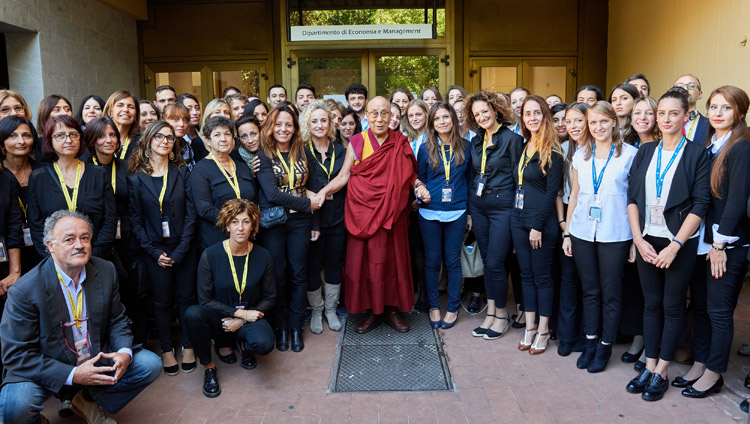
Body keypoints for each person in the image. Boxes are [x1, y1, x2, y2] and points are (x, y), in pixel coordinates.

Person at [0, 210, 161, 424]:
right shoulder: (25, 290)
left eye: (84, 238)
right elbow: (16, 355)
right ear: (50, 246)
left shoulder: (105, 270)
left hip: (93, 354)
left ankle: (86, 400)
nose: (79, 245)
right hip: (49, 363)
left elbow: (117, 320)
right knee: (16, 407)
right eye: (69, 239)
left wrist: (123, 352)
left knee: (149, 364)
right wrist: (72, 374)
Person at [316, 96, 430, 334]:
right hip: (363, 213)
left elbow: (409, 175)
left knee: (393, 263)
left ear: (391, 117)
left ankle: (391, 310)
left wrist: (419, 185)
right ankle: (372, 311)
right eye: (374, 113)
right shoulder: (356, 142)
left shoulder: (400, 141)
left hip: (392, 216)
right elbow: (344, 176)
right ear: (366, 116)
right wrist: (323, 192)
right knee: (366, 264)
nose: (379, 118)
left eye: (384, 113)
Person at [625, 87, 710, 401]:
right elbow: (632, 199)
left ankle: (661, 370)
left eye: (673, 113)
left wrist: (674, 246)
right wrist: (638, 238)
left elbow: (701, 204)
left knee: (673, 306)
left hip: (679, 243)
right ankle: (648, 364)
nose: (665, 119)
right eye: (661, 113)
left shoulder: (698, 154)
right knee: (651, 304)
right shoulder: (646, 152)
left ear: (687, 116)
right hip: (647, 239)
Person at [676, 86, 750, 399]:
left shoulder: (741, 147)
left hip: (727, 245)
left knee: (719, 310)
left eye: (726, 108)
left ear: (740, 113)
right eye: (714, 107)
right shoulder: (710, 144)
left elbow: (736, 201)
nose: (718, 114)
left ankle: (715, 373)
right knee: (703, 308)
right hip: (705, 242)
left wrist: (719, 245)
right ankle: (702, 362)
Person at [562, 101, 638, 372]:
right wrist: (568, 233)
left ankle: (606, 346)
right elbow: (574, 196)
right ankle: (591, 341)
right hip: (583, 230)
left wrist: (633, 240)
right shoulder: (580, 155)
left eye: (603, 121)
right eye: (593, 123)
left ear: (614, 122)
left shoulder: (630, 155)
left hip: (615, 233)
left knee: (611, 294)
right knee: (590, 291)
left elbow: (635, 199)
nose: (598, 127)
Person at [185, 199, 275, 398]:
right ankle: (209, 368)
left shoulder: (263, 256)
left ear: (253, 226)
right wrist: (237, 313)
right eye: (234, 222)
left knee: (265, 343)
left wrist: (242, 319)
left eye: (245, 222)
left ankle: (245, 347)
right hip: (220, 318)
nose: (240, 228)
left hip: (249, 317)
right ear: (227, 225)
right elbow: (204, 300)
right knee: (192, 314)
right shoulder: (210, 255)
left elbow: (270, 297)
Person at [128, 120, 197, 376]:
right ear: (148, 141)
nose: (165, 141)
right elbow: (135, 221)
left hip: (183, 247)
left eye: (169, 137)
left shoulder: (181, 172)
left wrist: (181, 250)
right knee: (162, 302)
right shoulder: (136, 179)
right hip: (154, 251)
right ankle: (167, 350)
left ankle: (188, 345)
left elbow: (192, 214)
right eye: (159, 136)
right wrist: (154, 253)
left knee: (186, 299)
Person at [256, 104, 320, 352]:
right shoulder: (263, 156)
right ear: (271, 127)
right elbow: (271, 194)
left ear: (295, 128)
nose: (284, 129)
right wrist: (306, 203)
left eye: (288, 124)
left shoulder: (304, 154)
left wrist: (313, 220)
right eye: (279, 124)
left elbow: (313, 188)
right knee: (278, 276)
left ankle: (296, 327)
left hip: (300, 224)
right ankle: (281, 326)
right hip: (274, 224)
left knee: (299, 273)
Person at [462, 90, 524, 339]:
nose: (481, 117)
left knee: (497, 263)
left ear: (496, 110)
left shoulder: (513, 140)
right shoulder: (476, 141)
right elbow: (472, 177)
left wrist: (520, 217)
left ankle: (501, 315)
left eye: (485, 111)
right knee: (488, 263)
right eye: (476, 114)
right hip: (479, 207)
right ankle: (491, 314)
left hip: (503, 207)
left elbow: (520, 182)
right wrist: (469, 210)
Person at [512, 95, 564, 355]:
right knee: (526, 276)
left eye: (536, 113)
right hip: (518, 221)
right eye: (527, 113)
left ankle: (544, 329)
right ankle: (529, 327)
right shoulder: (524, 146)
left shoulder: (553, 150)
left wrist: (537, 226)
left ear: (545, 116)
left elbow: (551, 192)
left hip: (540, 225)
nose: (532, 117)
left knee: (542, 278)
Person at [26, 115, 116, 259]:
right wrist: (55, 259)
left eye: (73, 134)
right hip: (55, 261)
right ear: (49, 140)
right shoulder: (38, 178)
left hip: (96, 257)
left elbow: (109, 220)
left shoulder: (98, 174)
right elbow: (36, 226)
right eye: (60, 135)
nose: (68, 140)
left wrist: (93, 255)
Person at [417, 101, 471, 329]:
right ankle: (433, 306)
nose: (442, 122)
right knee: (432, 262)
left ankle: (452, 307)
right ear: (432, 123)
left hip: (457, 212)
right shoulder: (425, 147)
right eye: (437, 119)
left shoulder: (467, 147)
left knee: (453, 261)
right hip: (429, 213)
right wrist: (419, 187)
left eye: (445, 117)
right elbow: (418, 177)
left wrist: (469, 213)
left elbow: (470, 180)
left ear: (453, 119)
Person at [300, 101, 347, 333]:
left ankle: (330, 308)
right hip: (312, 219)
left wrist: (322, 193)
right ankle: (317, 311)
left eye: (323, 120)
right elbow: (299, 186)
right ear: (308, 124)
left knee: (333, 263)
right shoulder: (301, 150)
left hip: (338, 216)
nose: (319, 125)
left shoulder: (340, 150)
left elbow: (345, 178)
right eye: (314, 121)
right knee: (313, 264)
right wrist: (316, 198)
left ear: (330, 123)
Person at [555, 102, 589, 356]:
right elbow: (559, 193)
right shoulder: (562, 149)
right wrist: (563, 224)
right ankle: (566, 337)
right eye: (569, 121)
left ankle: (585, 336)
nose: (573, 126)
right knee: (567, 280)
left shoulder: (600, 150)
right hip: (567, 216)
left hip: (592, 219)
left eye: (579, 120)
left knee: (588, 283)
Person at [191, 116, 255, 248]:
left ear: (233, 139)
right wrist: (235, 223)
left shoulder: (242, 167)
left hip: (247, 237)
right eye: (217, 135)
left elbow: (255, 200)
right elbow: (205, 209)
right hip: (217, 239)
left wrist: (248, 223)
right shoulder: (200, 170)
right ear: (208, 141)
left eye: (227, 134)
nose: (223, 139)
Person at [402, 99, 430, 311]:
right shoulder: (405, 139)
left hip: (427, 200)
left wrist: (419, 198)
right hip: (407, 202)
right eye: (411, 116)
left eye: (418, 114)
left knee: (426, 249)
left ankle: (426, 293)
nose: (414, 119)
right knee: (414, 249)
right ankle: (414, 291)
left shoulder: (434, 138)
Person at [103, 90, 140, 161]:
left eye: (131, 107)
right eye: (120, 105)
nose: (126, 110)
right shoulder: (98, 139)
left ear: (136, 115)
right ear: (110, 112)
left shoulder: (142, 142)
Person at [674, 74, 711, 144]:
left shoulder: (711, 126)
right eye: (679, 86)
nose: (685, 89)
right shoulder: (660, 123)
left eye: (691, 86)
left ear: (700, 95)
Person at [162, 103, 197, 170]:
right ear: (164, 121)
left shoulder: (187, 146)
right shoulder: (162, 147)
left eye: (185, 120)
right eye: (175, 119)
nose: (181, 124)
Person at [176, 93, 209, 163]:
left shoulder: (204, 133)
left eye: (197, 108)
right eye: (189, 109)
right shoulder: (178, 139)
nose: (195, 112)